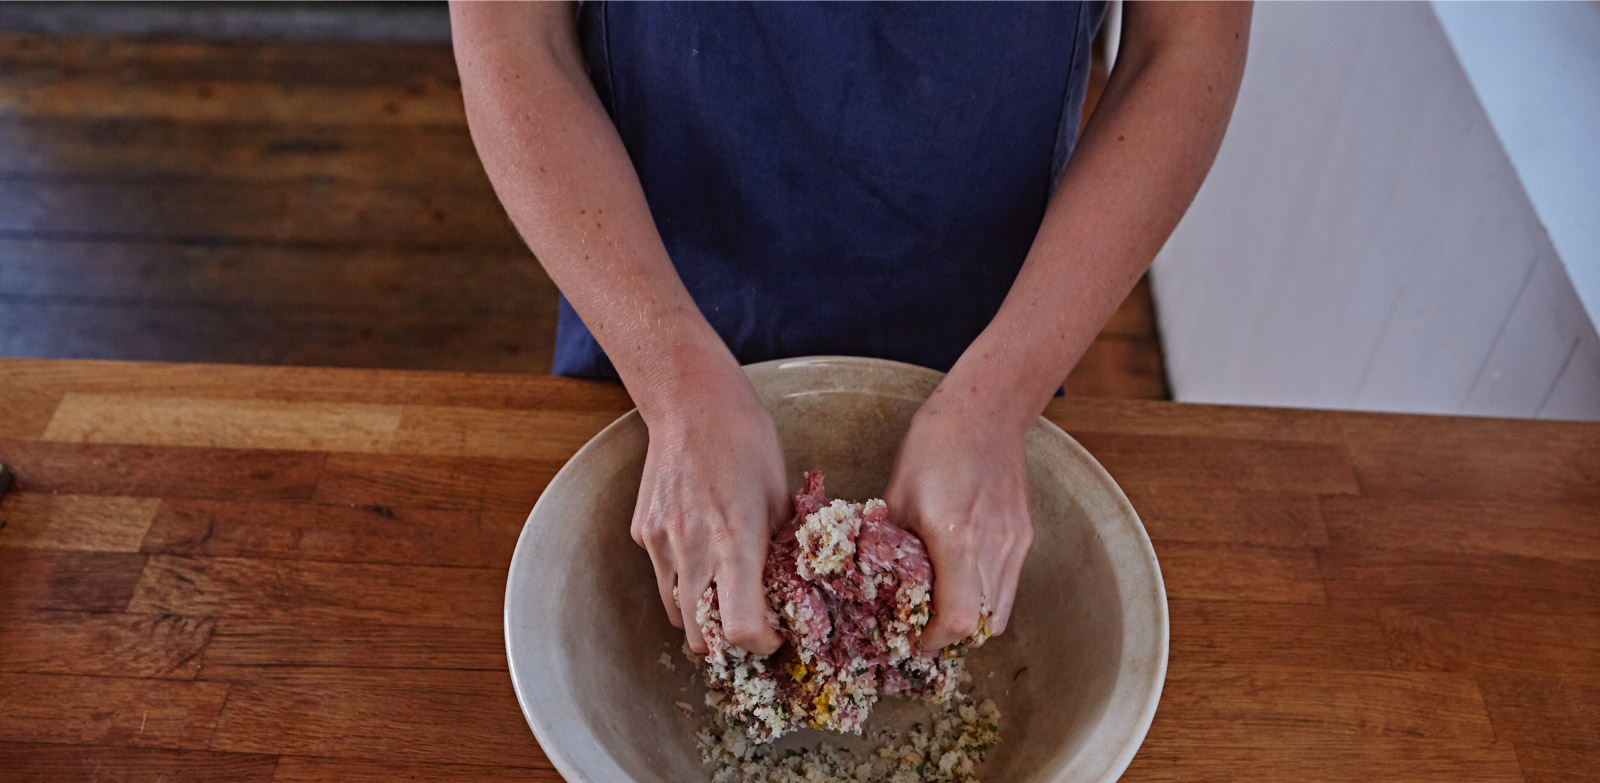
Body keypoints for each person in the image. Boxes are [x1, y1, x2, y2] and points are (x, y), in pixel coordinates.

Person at [451, 1, 1250, 658]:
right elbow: (516, 33)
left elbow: (1183, 46)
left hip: (993, 331)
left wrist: (1000, 397)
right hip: (649, 293)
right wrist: (672, 379)